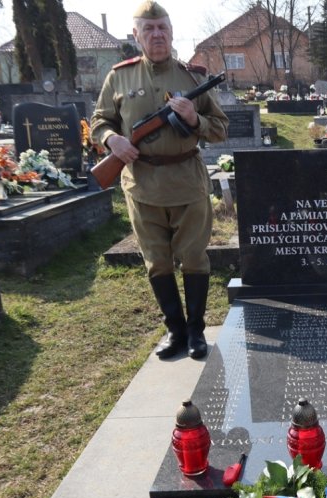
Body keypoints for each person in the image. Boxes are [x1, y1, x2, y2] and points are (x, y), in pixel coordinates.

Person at [91, 0, 228, 360]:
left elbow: (220, 128)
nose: (157, 35)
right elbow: (100, 121)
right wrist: (113, 140)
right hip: (142, 185)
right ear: (136, 35)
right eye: (149, 29)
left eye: (163, 28)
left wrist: (195, 120)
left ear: (171, 33)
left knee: (194, 257)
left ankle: (196, 331)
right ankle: (175, 330)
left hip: (187, 183)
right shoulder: (119, 76)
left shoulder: (192, 77)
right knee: (156, 260)